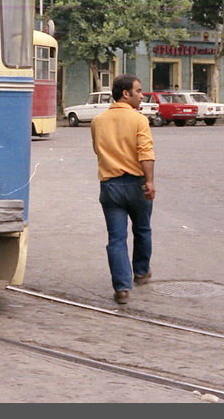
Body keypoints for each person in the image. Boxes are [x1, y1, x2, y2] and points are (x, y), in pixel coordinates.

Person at [89, 74, 156, 306]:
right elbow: (145, 153)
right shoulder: (139, 120)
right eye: (138, 91)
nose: (142, 95)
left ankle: (121, 288)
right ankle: (140, 271)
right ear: (126, 94)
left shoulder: (98, 120)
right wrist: (149, 182)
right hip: (136, 183)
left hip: (110, 186)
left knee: (116, 238)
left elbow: (97, 151)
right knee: (143, 229)